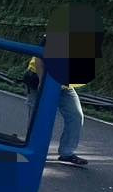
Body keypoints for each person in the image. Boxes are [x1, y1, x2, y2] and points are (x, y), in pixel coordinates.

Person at [24, 37, 87, 166]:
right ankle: (32, 149)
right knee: (37, 117)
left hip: (62, 84)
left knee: (76, 115)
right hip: (39, 78)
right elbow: (39, 57)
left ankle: (67, 152)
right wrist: (42, 80)